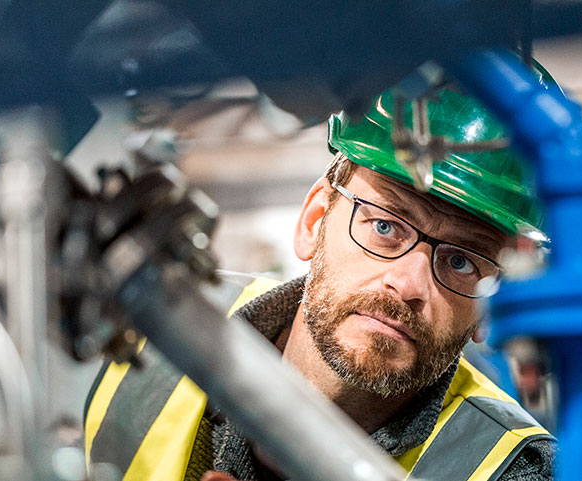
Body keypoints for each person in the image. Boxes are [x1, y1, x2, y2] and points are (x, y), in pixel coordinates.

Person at [84, 77, 558, 481]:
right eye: (385, 226)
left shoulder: (514, 469)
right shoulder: (155, 325)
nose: (409, 285)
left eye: (462, 262)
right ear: (314, 221)